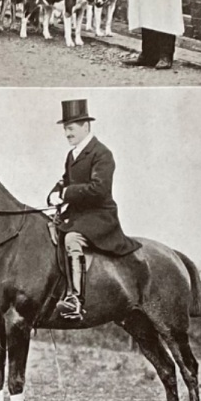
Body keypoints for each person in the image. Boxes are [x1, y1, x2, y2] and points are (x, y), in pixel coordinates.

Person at [48, 100, 140, 322]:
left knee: (72, 239)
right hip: (78, 215)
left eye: (71, 128)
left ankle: (76, 300)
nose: (67, 134)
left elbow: (99, 189)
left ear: (85, 127)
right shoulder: (72, 155)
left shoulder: (102, 153)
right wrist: (54, 192)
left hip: (99, 216)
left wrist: (67, 193)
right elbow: (64, 180)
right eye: (65, 129)